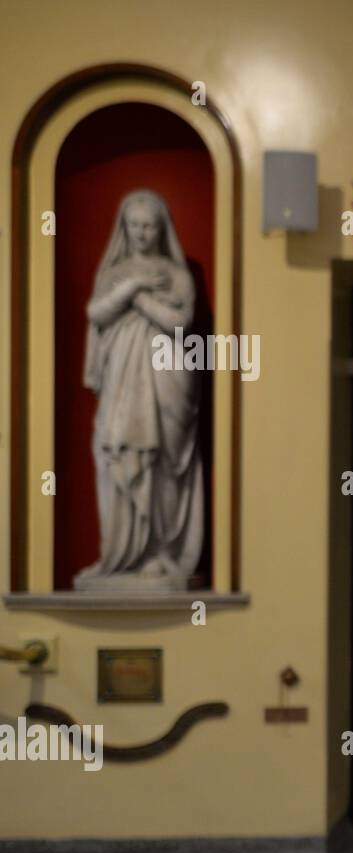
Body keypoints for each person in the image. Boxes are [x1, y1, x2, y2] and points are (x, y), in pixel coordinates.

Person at [76, 190, 203, 589]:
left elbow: (180, 325)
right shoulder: (113, 273)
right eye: (135, 225)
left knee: (161, 460)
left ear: (162, 228)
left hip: (167, 377)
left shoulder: (176, 274)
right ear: (124, 227)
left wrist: (140, 297)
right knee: (118, 454)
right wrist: (129, 288)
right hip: (121, 382)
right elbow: (96, 312)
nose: (142, 233)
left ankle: (159, 553)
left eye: (149, 225)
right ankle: (117, 554)